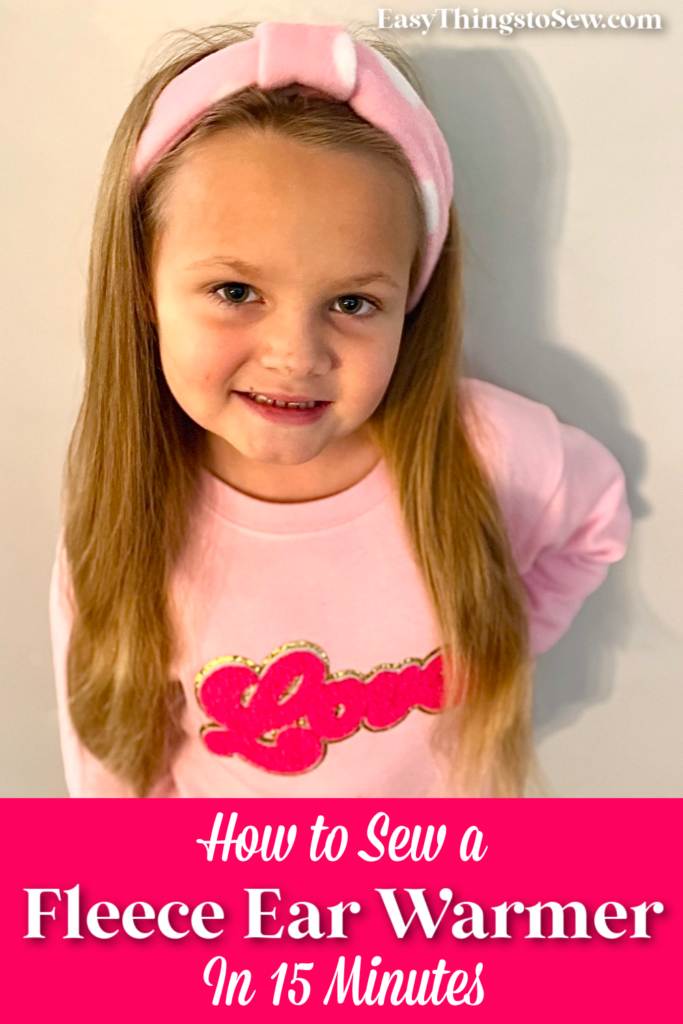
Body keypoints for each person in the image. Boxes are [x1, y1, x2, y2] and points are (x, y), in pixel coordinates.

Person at [49, 21, 631, 799]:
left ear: (408, 307)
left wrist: (499, 638)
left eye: (353, 301)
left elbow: (595, 522)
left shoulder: (483, 450)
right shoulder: (128, 519)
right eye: (234, 292)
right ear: (145, 289)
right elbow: (109, 771)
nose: (297, 354)